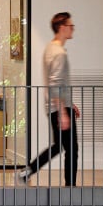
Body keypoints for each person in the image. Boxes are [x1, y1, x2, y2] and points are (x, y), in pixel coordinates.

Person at [20, 11, 78, 186]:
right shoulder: (59, 53)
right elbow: (55, 84)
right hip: (59, 107)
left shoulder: (50, 48)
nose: (73, 29)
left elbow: (57, 83)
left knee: (60, 146)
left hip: (57, 105)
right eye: (70, 25)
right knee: (71, 148)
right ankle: (70, 188)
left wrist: (70, 104)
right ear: (61, 27)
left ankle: (28, 171)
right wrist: (63, 112)